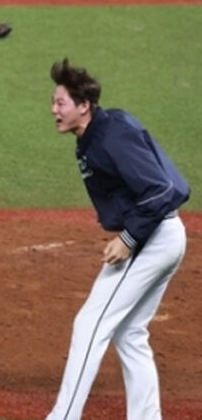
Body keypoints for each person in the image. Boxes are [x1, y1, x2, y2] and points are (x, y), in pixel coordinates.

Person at [45, 59, 189, 420]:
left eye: (60, 103)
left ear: (83, 106)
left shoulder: (111, 135)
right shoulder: (99, 131)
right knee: (129, 333)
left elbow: (164, 190)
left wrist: (128, 238)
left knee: (89, 324)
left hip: (152, 238)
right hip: (163, 235)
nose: (53, 111)